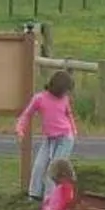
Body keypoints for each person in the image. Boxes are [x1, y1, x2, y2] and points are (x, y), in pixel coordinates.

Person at [16, 68, 78, 199]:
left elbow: (68, 114)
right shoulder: (40, 98)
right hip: (50, 139)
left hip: (65, 138)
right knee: (39, 166)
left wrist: (74, 130)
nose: (66, 93)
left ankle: (50, 198)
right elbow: (27, 114)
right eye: (65, 90)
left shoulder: (64, 99)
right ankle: (34, 195)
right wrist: (20, 128)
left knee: (54, 169)